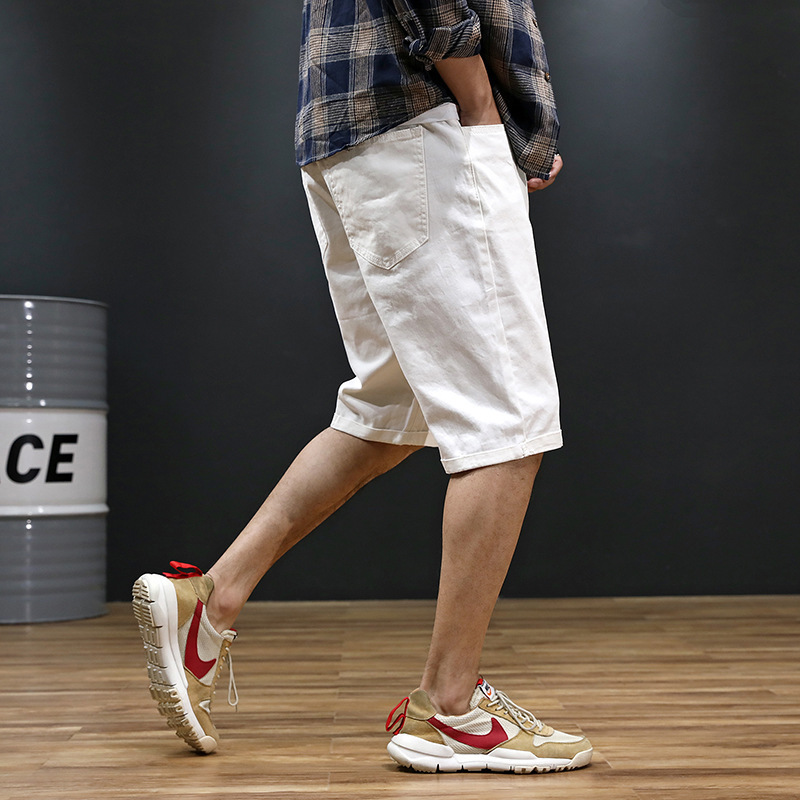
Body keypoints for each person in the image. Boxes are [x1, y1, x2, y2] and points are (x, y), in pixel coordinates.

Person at [132, 0, 592, 774]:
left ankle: (211, 603)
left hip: (355, 127)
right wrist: (481, 106)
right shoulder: (451, 105)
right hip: (424, 116)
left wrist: (511, 125)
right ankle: (450, 708)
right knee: (508, 420)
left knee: (392, 405)